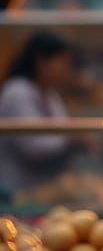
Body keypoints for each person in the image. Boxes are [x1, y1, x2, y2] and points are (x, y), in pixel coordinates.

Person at [0, 32, 77, 194]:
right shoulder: (17, 92)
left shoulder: (50, 94)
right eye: (62, 62)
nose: (66, 70)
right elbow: (33, 147)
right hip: (14, 192)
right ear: (42, 61)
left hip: (38, 189)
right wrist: (73, 139)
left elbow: (62, 130)